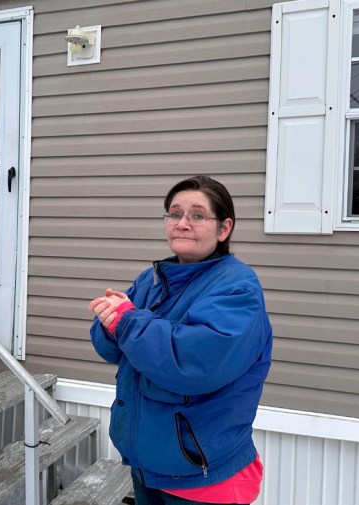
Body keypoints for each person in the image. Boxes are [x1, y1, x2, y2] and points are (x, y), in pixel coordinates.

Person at [88, 175, 272, 505]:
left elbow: (190, 362)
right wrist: (108, 321)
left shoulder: (237, 288)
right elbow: (115, 350)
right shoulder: (153, 278)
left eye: (197, 216)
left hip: (203, 477)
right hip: (149, 467)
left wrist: (127, 321)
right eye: (175, 214)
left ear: (224, 229)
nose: (182, 223)